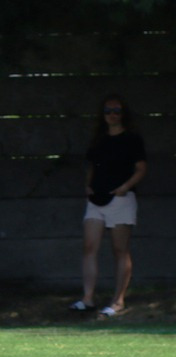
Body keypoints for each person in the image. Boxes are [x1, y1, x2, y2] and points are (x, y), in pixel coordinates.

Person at [71, 94, 147, 317]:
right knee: (89, 246)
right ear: (102, 114)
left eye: (116, 111)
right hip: (96, 199)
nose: (112, 115)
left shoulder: (132, 139)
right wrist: (88, 186)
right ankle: (87, 298)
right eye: (108, 111)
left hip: (121, 200)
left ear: (123, 114)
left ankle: (118, 301)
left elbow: (141, 168)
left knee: (119, 249)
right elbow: (92, 166)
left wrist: (125, 187)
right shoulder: (99, 140)